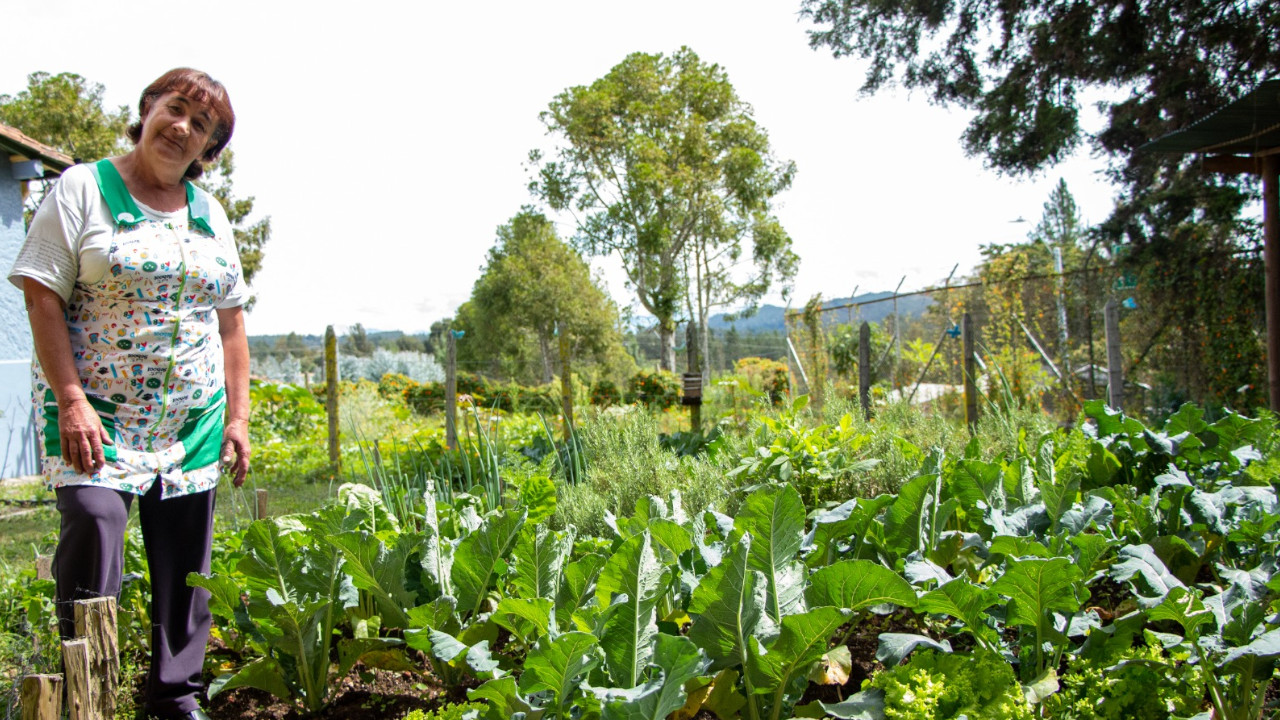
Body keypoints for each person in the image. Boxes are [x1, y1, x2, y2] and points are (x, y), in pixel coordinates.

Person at [8, 68, 249, 720]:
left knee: (184, 559)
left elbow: (230, 323)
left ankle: (175, 699)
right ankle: (87, 688)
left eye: (200, 126)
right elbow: (40, 294)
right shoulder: (83, 188)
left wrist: (238, 418)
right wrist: (70, 397)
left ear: (207, 151)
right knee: (95, 518)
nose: (182, 128)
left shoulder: (210, 214)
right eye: (175, 109)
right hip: (98, 414)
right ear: (147, 110)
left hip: (189, 419)